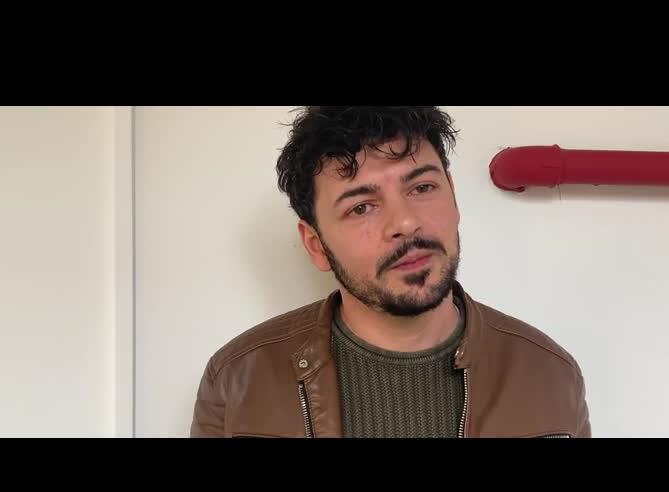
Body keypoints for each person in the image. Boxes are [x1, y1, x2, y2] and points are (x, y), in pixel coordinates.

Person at [190, 106, 591, 438]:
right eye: (361, 207)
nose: (405, 222)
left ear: (453, 195)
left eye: (422, 188)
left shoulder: (551, 376)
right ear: (316, 245)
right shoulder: (237, 379)